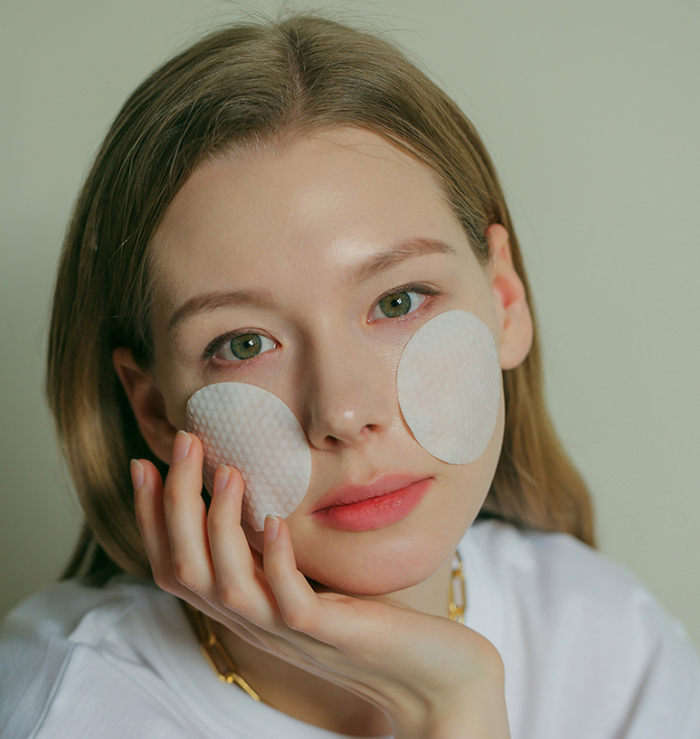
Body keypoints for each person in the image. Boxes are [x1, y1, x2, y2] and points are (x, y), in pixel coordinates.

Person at [0, 14, 698, 739]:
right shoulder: (66, 704)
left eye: (398, 301)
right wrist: (450, 709)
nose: (342, 410)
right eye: (245, 343)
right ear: (154, 409)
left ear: (505, 302)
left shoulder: (616, 650)